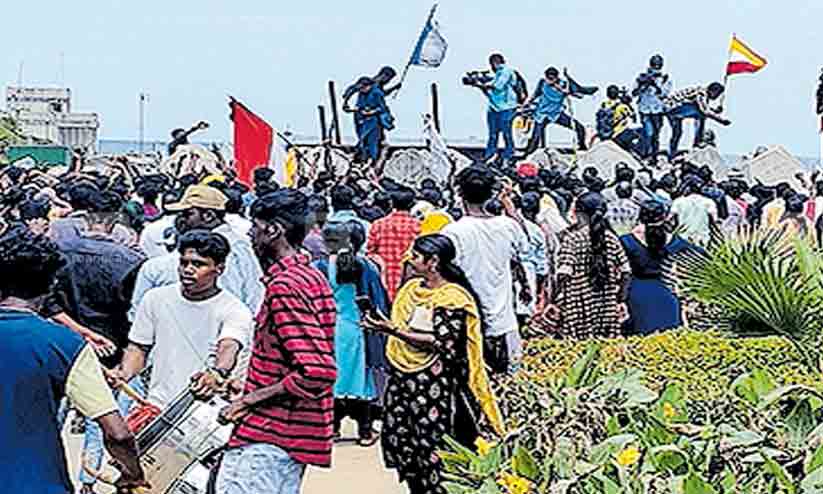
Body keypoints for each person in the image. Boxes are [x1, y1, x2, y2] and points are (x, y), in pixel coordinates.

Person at [0, 226, 146, 494]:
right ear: (52, 284)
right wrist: (133, 475)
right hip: (37, 483)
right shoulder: (66, 345)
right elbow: (118, 433)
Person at [362, 234, 505, 494]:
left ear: (433, 262)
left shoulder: (453, 297)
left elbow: (442, 342)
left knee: (436, 452)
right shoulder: (411, 290)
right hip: (405, 387)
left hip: (435, 392)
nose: (410, 259)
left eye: (415, 256)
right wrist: (385, 326)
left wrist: (393, 330)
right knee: (406, 445)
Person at [217, 189, 337, 494]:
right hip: (286, 436)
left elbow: (317, 371)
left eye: (254, 228)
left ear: (273, 231)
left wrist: (248, 400)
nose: (251, 236)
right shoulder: (309, 275)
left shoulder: (286, 286)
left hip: (270, 436)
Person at [45, 192, 147, 494]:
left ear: (85, 217)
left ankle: (54, 473)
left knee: (53, 415)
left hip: (63, 341)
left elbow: (49, 301)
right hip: (112, 346)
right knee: (102, 415)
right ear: (115, 220)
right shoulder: (132, 259)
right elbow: (134, 311)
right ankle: (89, 481)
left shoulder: (58, 252)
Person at [110, 231, 253, 430]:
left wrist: (216, 374)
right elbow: (138, 348)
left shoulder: (234, 309)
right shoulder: (155, 299)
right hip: (157, 409)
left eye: (198, 264)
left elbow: (229, 346)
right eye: (184, 263)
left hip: (204, 417)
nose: (188, 270)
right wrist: (124, 373)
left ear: (219, 269)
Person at [130, 185, 265, 319]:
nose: (181, 220)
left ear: (208, 216)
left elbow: (230, 294)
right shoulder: (239, 242)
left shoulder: (226, 247)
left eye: (188, 214)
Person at [442, 166, 528, 373]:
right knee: (507, 390)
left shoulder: (452, 232)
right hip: (505, 324)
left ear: (459, 194)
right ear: (491, 194)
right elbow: (524, 245)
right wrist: (508, 203)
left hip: (465, 323)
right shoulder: (508, 226)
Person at [315, 221, 389, 446]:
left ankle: (333, 430)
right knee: (362, 379)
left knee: (333, 380)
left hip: (329, 328)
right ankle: (365, 432)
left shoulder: (320, 266)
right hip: (358, 328)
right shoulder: (366, 266)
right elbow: (379, 301)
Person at [545, 192, 631, 339]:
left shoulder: (572, 239)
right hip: (607, 306)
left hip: (577, 307)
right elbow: (626, 272)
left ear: (578, 213)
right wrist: (620, 298)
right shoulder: (611, 238)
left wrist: (552, 300)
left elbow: (563, 274)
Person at [621, 200, 696, 335]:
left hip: (636, 292)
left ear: (640, 217)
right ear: (664, 217)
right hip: (666, 291)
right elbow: (701, 255)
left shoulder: (627, 240)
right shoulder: (675, 241)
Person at [366, 184, 422, 300]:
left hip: (384, 282)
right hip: (410, 284)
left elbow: (370, 253)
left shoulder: (378, 225)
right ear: (412, 204)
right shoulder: (419, 226)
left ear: (391, 203)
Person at [524, 67, 587, 154]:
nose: (549, 81)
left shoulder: (563, 84)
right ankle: (530, 153)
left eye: (551, 79)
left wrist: (564, 90)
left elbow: (579, 95)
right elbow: (536, 94)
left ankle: (582, 147)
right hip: (541, 114)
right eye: (547, 78)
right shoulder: (542, 83)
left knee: (580, 128)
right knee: (536, 137)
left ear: (556, 77)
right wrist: (527, 103)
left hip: (556, 114)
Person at [664, 82, 731, 159]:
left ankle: (672, 154)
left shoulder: (701, 94)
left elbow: (703, 108)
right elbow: (704, 110)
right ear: (713, 90)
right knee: (701, 115)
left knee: (677, 132)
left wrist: (715, 111)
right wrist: (721, 120)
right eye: (717, 94)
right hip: (675, 108)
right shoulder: (702, 93)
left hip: (672, 110)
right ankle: (697, 143)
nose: (716, 97)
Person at [344, 77, 395, 166]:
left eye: (363, 88)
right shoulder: (361, 93)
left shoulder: (377, 93)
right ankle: (364, 160)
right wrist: (350, 107)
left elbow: (382, 107)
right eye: (360, 88)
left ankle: (372, 161)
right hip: (361, 120)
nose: (361, 90)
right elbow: (357, 103)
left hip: (373, 121)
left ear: (369, 86)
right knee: (362, 141)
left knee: (372, 142)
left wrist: (371, 111)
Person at [480, 53, 520, 163]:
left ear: (494, 63)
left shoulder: (506, 71)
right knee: (493, 134)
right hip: (494, 108)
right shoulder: (497, 75)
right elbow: (490, 91)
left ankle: (509, 156)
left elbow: (498, 86)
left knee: (506, 133)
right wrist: (480, 84)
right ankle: (490, 155)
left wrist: (482, 84)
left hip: (507, 108)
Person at [632, 54, 673, 159]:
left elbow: (664, 94)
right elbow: (634, 93)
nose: (655, 67)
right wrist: (644, 84)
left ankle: (654, 156)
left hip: (657, 110)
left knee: (656, 135)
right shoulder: (641, 77)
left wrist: (655, 84)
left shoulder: (665, 78)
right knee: (648, 133)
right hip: (644, 109)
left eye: (657, 65)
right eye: (654, 65)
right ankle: (647, 154)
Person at [671, 176, 718, 246]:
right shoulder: (709, 202)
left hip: (682, 239)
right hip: (703, 240)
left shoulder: (678, 202)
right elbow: (714, 221)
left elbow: (670, 219)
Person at [600, 85, 643, 156]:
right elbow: (632, 117)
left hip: (608, 133)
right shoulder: (622, 106)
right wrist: (628, 104)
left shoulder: (604, 104)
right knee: (642, 131)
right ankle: (640, 153)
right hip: (619, 132)